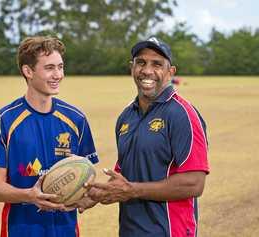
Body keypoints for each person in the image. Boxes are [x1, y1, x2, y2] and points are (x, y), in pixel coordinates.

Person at [86, 36, 210, 237]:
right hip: (129, 231)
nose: (147, 70)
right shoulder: (125, 117)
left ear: (171, 72)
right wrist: (95, 195)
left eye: (157, 64)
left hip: (169, 231)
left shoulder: (182, 114)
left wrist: (133, 190)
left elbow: (194, 183)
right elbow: (124, 178)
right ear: (131, 67)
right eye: (141, 62)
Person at [0, 36, 99, 237]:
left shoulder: (76, 119)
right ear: (28, 71)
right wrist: (30, 196)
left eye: (60, 67)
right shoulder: (3, 120)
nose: (58, 75)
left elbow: (87, 177)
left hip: (66, 231)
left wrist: (88, 197)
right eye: (50, 68)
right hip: (20, 230)